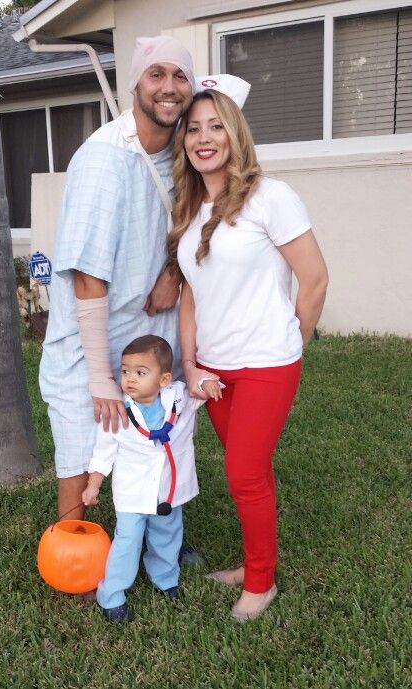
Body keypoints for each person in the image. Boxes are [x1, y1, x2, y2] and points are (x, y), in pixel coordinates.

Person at [167, 74, 329, 621]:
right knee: (250, 474)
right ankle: (254, 559)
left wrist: (292, 344)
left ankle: (260, 583)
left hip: (265, 365)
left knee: (242, 471)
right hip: (213, 369)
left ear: (236, 134)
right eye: (193, 129)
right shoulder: (191, 208)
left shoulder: (270, 196)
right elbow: (191, 294)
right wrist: (188, 363)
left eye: (216, 126)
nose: (203, 138)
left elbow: (314, 279)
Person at [39, 37, 195, 523]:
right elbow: (87, 275)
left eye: (180, 76)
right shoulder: (105, 159)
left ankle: (157, 539)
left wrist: (172, 272)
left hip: (151, 329)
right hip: (94, 334)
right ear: (135, 86)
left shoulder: (184, 152)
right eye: (156, 75)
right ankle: (74, 544)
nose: (168, 87)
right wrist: (101, 377)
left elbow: (191, 219)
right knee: (82, 440)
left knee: (158, 433)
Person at [82, 335, 222, 622]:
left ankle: (165, 578)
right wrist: (93, 484)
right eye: (125, 371)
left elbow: (202, 388)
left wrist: (208, 383)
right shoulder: (118, 411)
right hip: (133, 494)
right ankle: (111, 594)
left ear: (164, 379)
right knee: (127, 541)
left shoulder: (179, 398)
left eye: (140, 373)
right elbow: (103, 452)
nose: (130, 379)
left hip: (169, 491)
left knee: (167, 534)